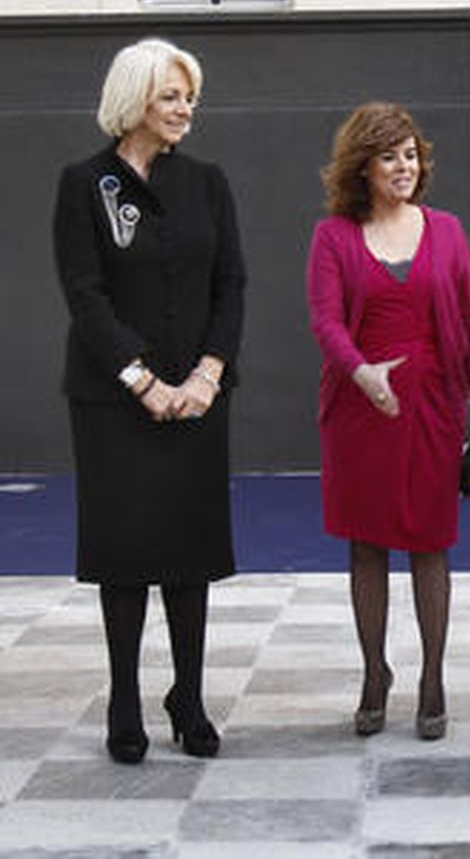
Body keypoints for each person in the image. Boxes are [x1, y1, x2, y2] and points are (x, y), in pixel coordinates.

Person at [52, 38, 245, 764]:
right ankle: (125, 697)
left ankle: (188, 696)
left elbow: (232, 284)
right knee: (125, 554)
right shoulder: (84, 184)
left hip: (196, 400)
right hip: (113, 403)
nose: (185, 108)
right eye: (171, 96)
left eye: (189, 96)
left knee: (189, 554)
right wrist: (141, 381)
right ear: (134, 101)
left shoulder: (208, 181)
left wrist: (205, 376)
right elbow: (84, 292)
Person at [307, 102, 470, 742]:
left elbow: (468, 325)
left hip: (429, 408)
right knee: (367, 544)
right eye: (389, 155)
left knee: (430, 544)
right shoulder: (332, 235)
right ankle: (373, 674)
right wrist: (363, 372)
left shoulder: (446, 230)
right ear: (362, 166)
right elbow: (326, 321)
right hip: (360, 409)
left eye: (410, 154)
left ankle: (433, 678)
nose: (403, 166)